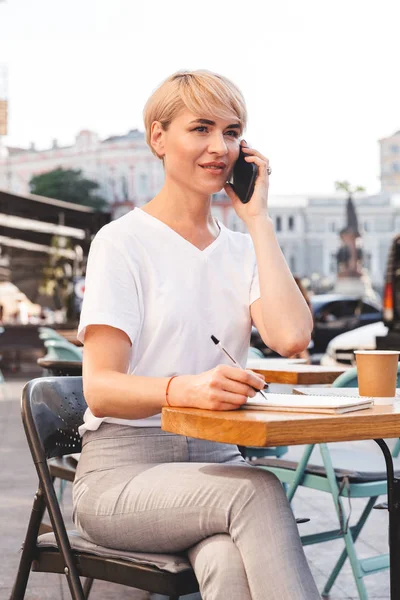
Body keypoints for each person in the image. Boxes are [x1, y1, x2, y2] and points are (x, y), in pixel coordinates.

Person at [73, 70, 318, 600]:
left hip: (214, 464)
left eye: (232, 133)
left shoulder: (242, 249)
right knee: (259, 491)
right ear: (158, 138)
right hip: (122, 474)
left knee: (231, 565)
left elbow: (292, 336)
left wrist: (258, 219)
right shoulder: (122, 242)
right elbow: (101, 388)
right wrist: (183, 389)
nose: (219, 147)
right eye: (201, 129)